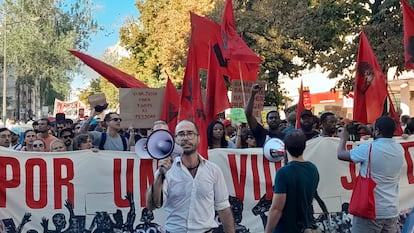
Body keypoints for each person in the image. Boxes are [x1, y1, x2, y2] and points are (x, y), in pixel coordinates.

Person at [146, 120, 235, 232]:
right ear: (175, 140)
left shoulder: (213, 170)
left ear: (198, 138)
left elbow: (223, 207)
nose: (186, 138)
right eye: (181, 134)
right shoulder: (166, 171)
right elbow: (152, 205)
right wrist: (161, 175)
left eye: (190, 133)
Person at [337, 116, 404, 233]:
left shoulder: (368, 148)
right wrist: (372, 131)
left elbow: (341, 154)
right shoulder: (399, 149)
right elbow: (382, 141)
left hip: (370, 210)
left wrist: (343, 138)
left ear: (377, 131)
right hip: (391, 210)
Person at [265, 130, 319, 233]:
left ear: (285, 148)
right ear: (304, 147)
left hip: (285, 229)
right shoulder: (313, 169)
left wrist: (267, 231)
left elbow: (277, 208)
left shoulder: (283, 173)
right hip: (304, 227)